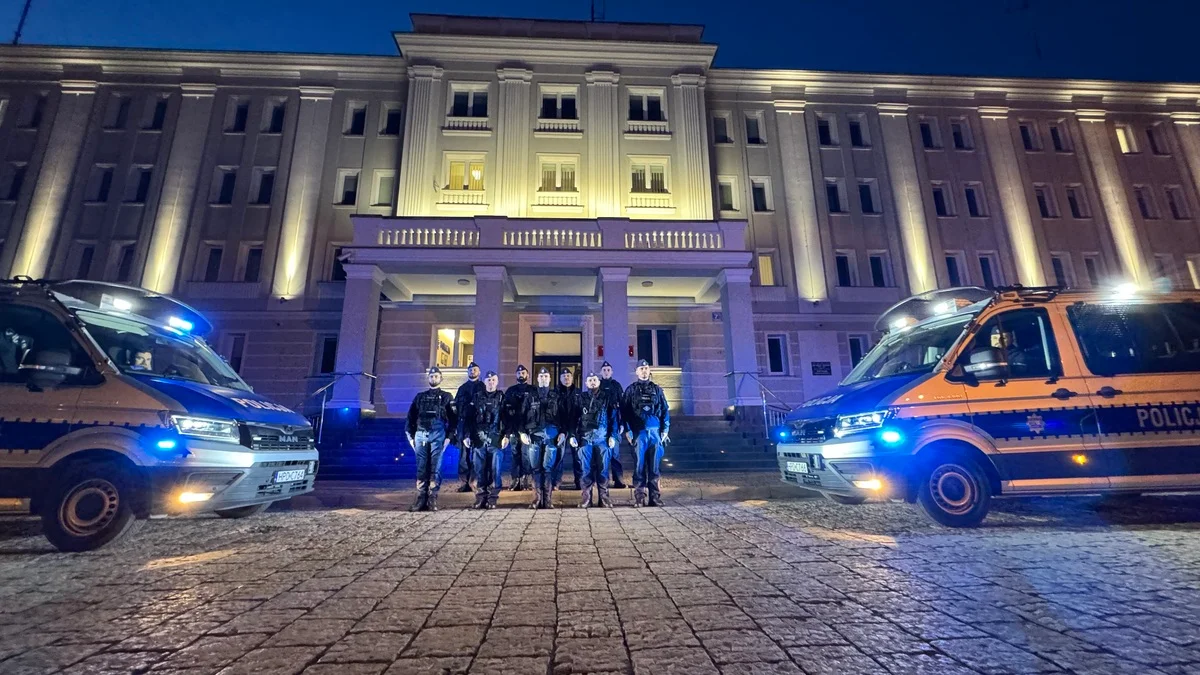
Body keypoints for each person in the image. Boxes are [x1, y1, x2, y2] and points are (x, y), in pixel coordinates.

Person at [405, 367, 457, 512]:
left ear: (441, 378)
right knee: (421, 467)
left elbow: (453, 420)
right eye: (431, 376)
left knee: (436, 468)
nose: (433, 378)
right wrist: (410, 437)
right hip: (421, 435)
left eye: (436, 376)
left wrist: (449, 437)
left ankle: (432, 497)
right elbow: (411, 417)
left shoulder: (447, 397)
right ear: (428, 378)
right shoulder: (419, 397)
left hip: (438, 436)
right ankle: (421, 498)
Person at [623, 359, 670, 507]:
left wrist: (665, 429)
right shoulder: (630, 390)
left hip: (655, 433)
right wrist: (628, 431)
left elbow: (664, 411)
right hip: (639, 433)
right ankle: (639, 497)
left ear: (649, 371)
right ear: (636, 372)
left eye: (646, 368)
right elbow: (624, 413)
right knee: (639, 466)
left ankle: (654, 498)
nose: (644, 371)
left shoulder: (657, 390)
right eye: (641, 368)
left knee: (655, 467)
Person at [519, 367, 562, 509]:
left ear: (550, 379)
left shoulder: (556, 395)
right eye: (541, 376)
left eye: (546, 376)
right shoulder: (530, 395)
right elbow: (522, 414)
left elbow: (564, 416)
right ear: (537, 379)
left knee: (548, 468)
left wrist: (563, 432)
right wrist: (522, 432)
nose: (543, 378)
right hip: (534, 436)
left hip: (551, 436)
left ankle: (548, 500)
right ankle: (536, 499)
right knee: (535, 468)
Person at [465, 370, 507, 509]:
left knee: (495, 470)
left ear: (497, 382)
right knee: (479, 469)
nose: (491, 382)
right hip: (479, 438)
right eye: (488, 380)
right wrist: (466, 435)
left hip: (496, 438)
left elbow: (508, 418)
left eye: (493, 380)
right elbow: (468, 418)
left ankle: (493, 498)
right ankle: (480, 497)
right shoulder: (476, 398)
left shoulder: (502, 398)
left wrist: (507, 435)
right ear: (484, 382)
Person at [574, 372, 617, 508]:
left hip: (602, 439)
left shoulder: (607, 397)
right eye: (589, 380)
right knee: (585, 470)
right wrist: (572, 436)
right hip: (585, 439)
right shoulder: (581, 398)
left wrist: (613, 435)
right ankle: (586, 498)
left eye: (594, 380)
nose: (592, 382)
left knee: (603, 470)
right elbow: (573, 418)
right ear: (586, 383)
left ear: (598, 382)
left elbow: (614, 418)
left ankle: (604, 498)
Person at [453, 362, 485, 493]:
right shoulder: (462, 388)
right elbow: (455, 408)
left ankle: (476, 481)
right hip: (463, 424)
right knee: (463, 456)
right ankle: (464, 482)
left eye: (475, 369)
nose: (473, 371)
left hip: (477, 425)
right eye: (470, 370)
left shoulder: (483, 387)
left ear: (479, 372)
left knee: (478, 454)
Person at [502, 365, 535, 491]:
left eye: (523, 372)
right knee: (515, 454)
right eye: (519, 372)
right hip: (514, 428)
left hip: (527, 429)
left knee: (526, 454)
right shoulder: (511, 391)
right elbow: (505, 411)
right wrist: (507, 431)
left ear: (528, 374)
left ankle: (525, 479)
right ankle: (515, 479)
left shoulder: (533, 390)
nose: (521, 374)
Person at [598, 361, 627, 489]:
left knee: (615, 454)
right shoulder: (597, 385)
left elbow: (623, 406)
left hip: (614, 422)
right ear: (601, 372)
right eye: (604, 370)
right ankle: (603, 480)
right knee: (601, 455)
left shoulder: (616, 386)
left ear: (612, 372)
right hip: (601, 425)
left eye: (608, 370)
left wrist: (622, 423)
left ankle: (618, 479)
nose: (606, 372)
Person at [554, 367, 581, 491]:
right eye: (564, 377)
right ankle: (556, 482)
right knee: (559, 456)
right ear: (560, 379)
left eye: (568, 376)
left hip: (575, 429)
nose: (566, 378)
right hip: (561, 430)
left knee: (578, 457)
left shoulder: (578, 393)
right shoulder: (555, 393)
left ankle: (579, 481)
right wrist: (561, 430)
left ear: (572, 378)